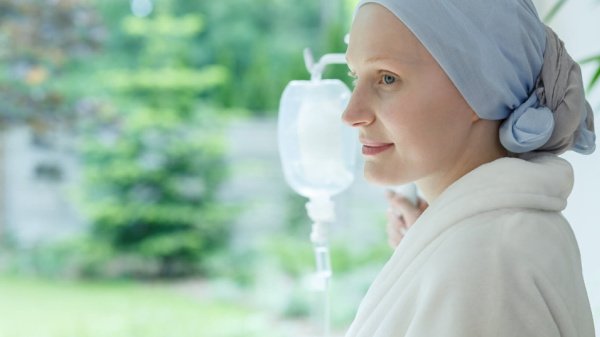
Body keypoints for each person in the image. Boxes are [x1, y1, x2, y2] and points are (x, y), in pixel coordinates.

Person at [342, 0, 596, 336]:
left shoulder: (487, 265)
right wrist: (429, 244)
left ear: (480, 88)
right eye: (355, 76)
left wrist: (452, 257)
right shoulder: (492, 243)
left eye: (387, 78)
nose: (350, 113)